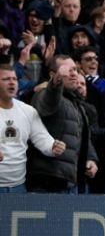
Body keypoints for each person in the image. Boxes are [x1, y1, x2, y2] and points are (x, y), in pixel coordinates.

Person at [27, 55, 99, 194]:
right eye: (66, 70)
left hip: (69, 182)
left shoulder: (76, 103)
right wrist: (55, 83)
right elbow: (48, 102)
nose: (73, 73)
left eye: (74, 69)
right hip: (46, 182)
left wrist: (91, 158)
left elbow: (81, 136)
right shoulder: (44, 94)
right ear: (53, 75)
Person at [0, 64, 66, 193]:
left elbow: (43, 139)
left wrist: (53, 146)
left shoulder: (28, 111)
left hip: (18, 186)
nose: (12, 82)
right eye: (6, 79)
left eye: (14, 79)